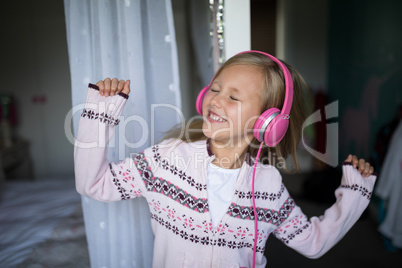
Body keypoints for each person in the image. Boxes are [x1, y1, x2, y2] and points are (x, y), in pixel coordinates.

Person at [74, 51, 376, 268]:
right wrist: (100, 114)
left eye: (234, 97)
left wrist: (354, 194)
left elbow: (312, 243)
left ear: (267, 123)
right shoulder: (166, 160)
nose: (216, 99)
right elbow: (94, 184)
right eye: (215, 89)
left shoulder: (269, 186)